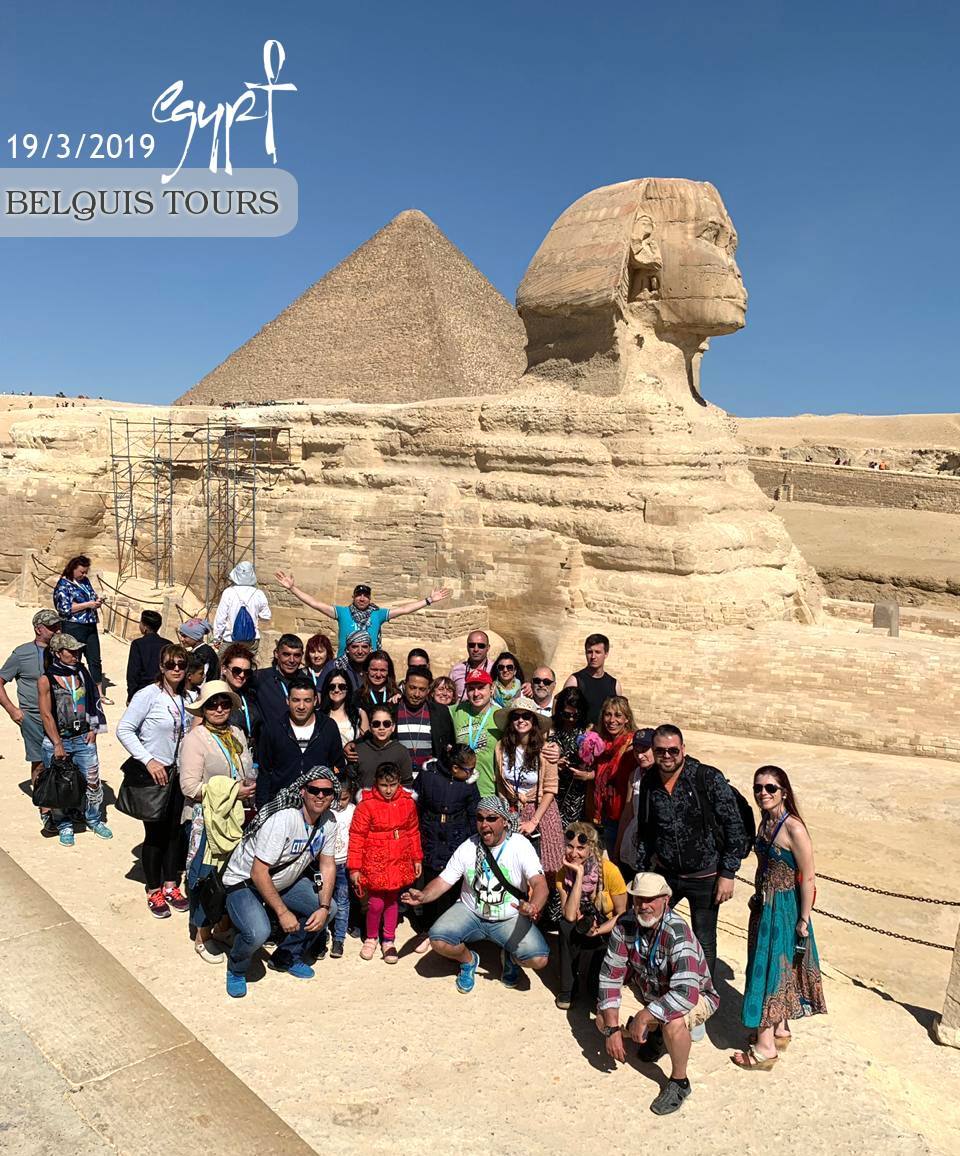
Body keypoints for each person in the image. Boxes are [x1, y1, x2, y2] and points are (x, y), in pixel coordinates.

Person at [597, 872, 719, 1116]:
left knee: (673, 1023)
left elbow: (686, 993)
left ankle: (679, 1082)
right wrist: (611, 1029)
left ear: (665, 899)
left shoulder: (677, 931)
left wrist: (645, 1016)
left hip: (695, 994)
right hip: (649, 990)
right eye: (639, 898)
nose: (644, 905)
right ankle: (656, 1033)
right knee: (602, 1017)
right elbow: (610, 976)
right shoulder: (624, 924)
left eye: (651, 899)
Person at [402, 797, 550, 993]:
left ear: (505, 821)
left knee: (538, 958)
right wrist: (424, 895)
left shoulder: (520, 846)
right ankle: (469, 960)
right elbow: (444, 880)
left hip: (509, 917)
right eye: (480, 818)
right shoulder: (468, 846)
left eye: (491, 818)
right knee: (438, 939)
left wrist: (533, 906)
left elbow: (540, 885)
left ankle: (511, 958)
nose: (484, 824)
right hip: (471, 911)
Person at [632, 724, 746, 978]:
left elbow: (734, 826)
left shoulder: (707, 778)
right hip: (666, 875)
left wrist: (728, 873)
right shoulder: (650, 780)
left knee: (704, 939)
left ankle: (702, 991)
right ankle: (660, 982)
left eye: (673, 750)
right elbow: (646, 829)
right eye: (660, 751)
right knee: (655, 928)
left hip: (705, 877)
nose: (667, 756)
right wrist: (643, 872)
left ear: (683, 749)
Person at [732, 766, 826, 1070]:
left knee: (768, 969)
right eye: (758, 787)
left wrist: (803, 919)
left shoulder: (793, 828)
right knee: (777, 968)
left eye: (770, 788)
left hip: (784, 909)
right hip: (765, 904)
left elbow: (808, 877)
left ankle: (764, 1049)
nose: (763, 793)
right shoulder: (767, 821)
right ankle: (780, 1030)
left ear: (784, 791)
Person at [222, 767, 339, 997]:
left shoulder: (329, 822)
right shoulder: (284, 820)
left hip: (283, 880)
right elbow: (258, 872)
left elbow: (327, 865)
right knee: (258, 932)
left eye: (327, 792)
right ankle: (236, 968)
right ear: (303, 791)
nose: (320, 796)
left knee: (328, 909)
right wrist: (283, 912)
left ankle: (285, 957)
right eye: (314, 790)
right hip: (246, 882)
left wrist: (324, 907)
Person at [178, 681, 255, 962]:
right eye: (212, 704)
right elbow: (189, 787)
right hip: (207, 820)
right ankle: (202, 936)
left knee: (229, 876)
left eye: (224, 703)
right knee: (207, 876)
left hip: (234, 818)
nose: (219, 709)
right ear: (203, 709)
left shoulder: (236, 733)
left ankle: (221, 926)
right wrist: (234, 790)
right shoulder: (195, 739)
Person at [117, 643, 191, 917]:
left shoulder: (189, 697)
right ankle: (153, 888)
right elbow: (124, 729)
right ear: (161, 667)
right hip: (156, 774)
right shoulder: (148, 695)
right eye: (170, 664)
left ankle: (171, 884)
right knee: (155, 833)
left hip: (179, 774)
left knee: (174, 831)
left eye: (181, 665)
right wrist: (148, 760)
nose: (176, 669)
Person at [36, 632, 111, 845]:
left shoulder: (82, 673)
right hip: (58, 740)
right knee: (59, 786)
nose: (77, 655)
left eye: (78, 651)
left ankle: (93, 818)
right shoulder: (46, 680)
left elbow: (93, 702)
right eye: (71, 651)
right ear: (57, 653)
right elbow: (46, 714)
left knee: (93, 782)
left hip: (83, 738)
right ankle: (63, 823)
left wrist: (93, 729)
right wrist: (57, 743)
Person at [348, 763, 422, 963]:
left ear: (399, 783)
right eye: (383, 785)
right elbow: (356, 837)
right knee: (375, 903)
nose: (388, 790)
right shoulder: (366, 805)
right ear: (376, 783)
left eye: (393, 785)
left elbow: (413, 832)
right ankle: (371, 938)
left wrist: (417, 858)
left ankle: (388, 940)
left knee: (392, 902)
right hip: (375, 861)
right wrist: (354, 868)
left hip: (399, 859)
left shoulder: (408, 802)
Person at [274, 571, 451, 654]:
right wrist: (292, 588)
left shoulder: (377, 614)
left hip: (370, 666)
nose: (362, 598)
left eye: (365, 596)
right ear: (353, 597)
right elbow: (315, 604)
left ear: (370, 598)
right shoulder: (342, 612)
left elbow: (404, 609)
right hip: (345, 664)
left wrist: (429, 600)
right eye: (359, 595)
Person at [555, 822, 627, 1010]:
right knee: (565, 926)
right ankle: (568, 988)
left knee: (595, 991)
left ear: (591, 849)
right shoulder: (563, 874)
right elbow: (569, 916)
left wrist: (599, 930)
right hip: (580, 925)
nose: (574, 853)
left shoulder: (610, 871)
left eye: (580, 848)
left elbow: (623, 914)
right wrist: (578, 876)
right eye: (570, 846)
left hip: (606, 929)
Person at [413, 745, 480, 949]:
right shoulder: (428, 775)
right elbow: (415, 806)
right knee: (431, 881)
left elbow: (473, 813)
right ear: (454, 767)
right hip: (430, 834)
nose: (472, 773)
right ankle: (427, 930)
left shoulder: (468, 782)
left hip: (457, 836)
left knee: (454, 885)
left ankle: (451, 931)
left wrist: (472, 840)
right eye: (469, 769)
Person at [493, 697, 563, 875]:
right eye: (516, 716)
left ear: (533, 721)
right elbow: (501, 785)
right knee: (514, 869)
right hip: (513, 810)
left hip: (540, 811)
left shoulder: (546, 749)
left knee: (545, 869)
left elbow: (550, 789)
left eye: (526, 716)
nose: (521, 720)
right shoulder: (501, 748)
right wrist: (507, 815)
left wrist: (534, 821)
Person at [256, 674, 344, 806]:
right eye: (296, 700)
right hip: (281, 803)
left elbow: (338, 766)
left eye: (307, 700)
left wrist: (330, 792)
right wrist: (262, 805)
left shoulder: (328, 726)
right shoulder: (273, 728)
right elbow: (264, 771)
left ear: (315, 701)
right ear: (287, 700)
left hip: (318, 802)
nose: (301, 706)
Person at [0, 609, 61, 787]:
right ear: (38, 629)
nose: (57, 630)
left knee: (63, 757)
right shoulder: (22, 653)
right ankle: (41, 798)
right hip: (33, 717)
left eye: (58, 626)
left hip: (60, 715)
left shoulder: (63, 651)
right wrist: (12, 710)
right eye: (52, 627)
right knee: (40, 761)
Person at [53, 554, 109, 701]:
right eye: (81, 572)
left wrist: (96, 602)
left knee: (95, 659)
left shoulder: (85, 581)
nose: (84, 575)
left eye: (85, 572)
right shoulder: (63, 585)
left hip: (90, 625)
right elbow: (64, 609)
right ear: (73, 569)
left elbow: (90, 596)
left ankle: (99, 693)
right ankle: (74, 690)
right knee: (73, 658)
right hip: (73, 626)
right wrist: (87, 605)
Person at [590, 696, 638, 854]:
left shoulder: (632, 747)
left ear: (626, 719)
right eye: (608, 714)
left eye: (618, 715)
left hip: (622, 814)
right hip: (603, 812)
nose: (612, 720)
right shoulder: (602, 745)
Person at [315, 774, 355, 960]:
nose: (339, 803)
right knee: (322, 901)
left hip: (344, 864)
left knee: (343, 901)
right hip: (324, 864)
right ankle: (321, 938)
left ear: (351, 795)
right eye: (336, 798)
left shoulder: (354, 811)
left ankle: (339, 938)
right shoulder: (323, 811)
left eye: (344, 799)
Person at [395, 666, 455, 781]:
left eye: (422, 689)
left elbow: (448, 744)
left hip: (430, 780)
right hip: (397, 781)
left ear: (428, 690)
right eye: (412, 688)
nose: (417, 694)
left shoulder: (441, 712)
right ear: (404, 685)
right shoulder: (392, 710)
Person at [450, 668, 500, 797]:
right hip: (459, 790)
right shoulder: (457, 711)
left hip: (488, 790)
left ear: (492, 689)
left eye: (481, 688)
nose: (476, 693)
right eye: (471, 689)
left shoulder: (500, 716)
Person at [613, 728, 655, 871]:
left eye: (645, 750)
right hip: (633, 842)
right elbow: (627, 814)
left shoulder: (665, 777)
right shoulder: (635, 775)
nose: (640, 755)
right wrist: (617, 849)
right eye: (636, 751)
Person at [549, 687, 592, 827]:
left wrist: (587, 774)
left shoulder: (589, 729)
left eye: (576, 715)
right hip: (553, 790)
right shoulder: (549, 727)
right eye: (566, 714)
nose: (571, 719)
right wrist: (554, 764)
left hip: (578, 792)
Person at [563, 633, 622, 726]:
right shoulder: (575, 681)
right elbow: (563, 712)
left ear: (606, 654)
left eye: (597, 652)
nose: (593, 656)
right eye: (589, 652)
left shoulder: (614, 684)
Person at [212, 562, 272, 653]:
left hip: (230, 639)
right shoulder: (259, 593)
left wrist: (217, 638)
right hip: (252, 639)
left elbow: (220, 618)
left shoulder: (228, 592)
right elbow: (266, 616)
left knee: (223, 661)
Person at [220, 643, 262, 764]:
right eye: (236, 670)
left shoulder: (249, 695)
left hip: (249, 759)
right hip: (226, 759)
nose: (242, 675)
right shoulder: (213, 695)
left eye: (246, 672)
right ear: (224, 669)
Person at [355, 706, 414, 792]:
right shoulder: (359, 750)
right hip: (364, 799)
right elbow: (351, 781)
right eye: (376, 724)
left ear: (393, 727)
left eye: (386, 724)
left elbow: (406, 784)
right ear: (370, 727)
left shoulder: (401, 751)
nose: (381, 728)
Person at [318, 668, 368, 766]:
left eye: (342, 686)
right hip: (328, 767)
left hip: (353, 767)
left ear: (348, 688)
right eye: (332, 686)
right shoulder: (319, 715)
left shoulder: (360, 714)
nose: (337, 690)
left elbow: (367, 743)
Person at [252, 633, 304, 723]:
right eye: (286, 654)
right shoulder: (260, 677)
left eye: (296, 655)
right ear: (276, 654)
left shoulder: (306, 681)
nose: (292, 660)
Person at [125, 610, 170, 703]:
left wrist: (131, 695)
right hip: (163, 690)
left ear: (145, 627)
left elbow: (133, 673)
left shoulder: (138, 644)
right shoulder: (168, 644)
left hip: (142, 691)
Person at [449, 631, 494, 699]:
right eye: (472, 645)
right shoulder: (456, 670)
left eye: (481, 646)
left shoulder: (495, 669)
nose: (476, 649)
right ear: (467, 647)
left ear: (488, 648)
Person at [355, 649, 399, 714]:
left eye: (383, 670)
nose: (378, 675)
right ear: (367, 670)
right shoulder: (358, 696)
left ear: (388, 672)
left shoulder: (396, 695)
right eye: (374, 670)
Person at [335, 629, 372, 694]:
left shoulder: (376, 668)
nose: (360, 651)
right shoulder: (335, 666)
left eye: (364, 647)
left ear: (370, 649)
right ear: (347, 649)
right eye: (355, 647)